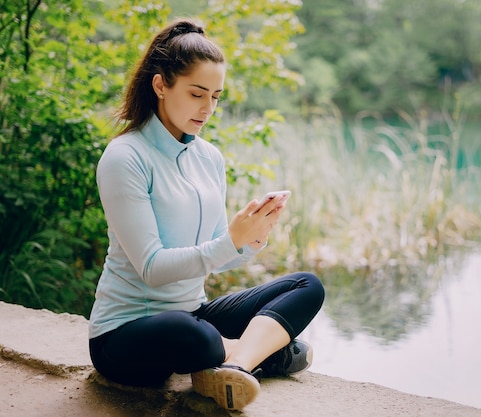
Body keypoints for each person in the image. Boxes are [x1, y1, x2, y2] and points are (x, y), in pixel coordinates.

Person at [88, 18, 325, 411]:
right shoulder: (125, 157)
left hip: (193, 311)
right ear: (160, 85)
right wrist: (228, 241)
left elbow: (215, 254)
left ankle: (237, 365)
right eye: (197, 94)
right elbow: (152, 268)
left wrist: (252, 238)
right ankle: (255, 351)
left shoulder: (209, 157)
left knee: (306, 285)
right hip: (125, 334)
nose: (208, 108)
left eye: (216, 96)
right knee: (193, 334)